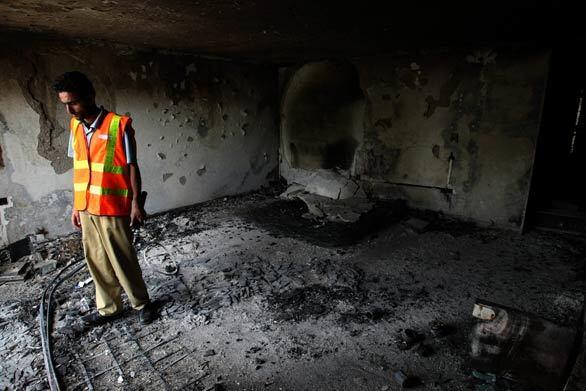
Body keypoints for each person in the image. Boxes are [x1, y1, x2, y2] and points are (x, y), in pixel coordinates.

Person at [54, 71, 155, 325]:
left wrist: (134, 203)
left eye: (73, 102)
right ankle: (109, 308)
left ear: (90, 95)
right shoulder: (75, 125)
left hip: (112, 207)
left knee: (123, 259)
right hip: (87, 207)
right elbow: (79, 166)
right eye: (65, 104)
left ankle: (141, 303)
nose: (69, 110)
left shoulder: (118, 125)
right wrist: (77, 206)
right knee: (96, 260)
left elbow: (132, 165)